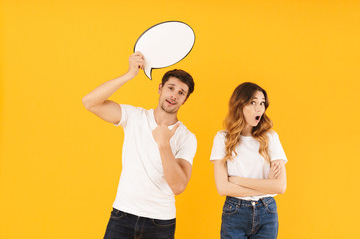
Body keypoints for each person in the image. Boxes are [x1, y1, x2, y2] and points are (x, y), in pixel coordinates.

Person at [82, 52, 197, 239]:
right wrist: (129, 74)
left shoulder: (186, 137)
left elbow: (178, 186)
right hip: (122, 216)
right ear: (160, 88)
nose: (174, 95)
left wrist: (164, 144)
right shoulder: (134, 117)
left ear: (185, 100)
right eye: (171, 88)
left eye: (181, 93)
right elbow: (89, 102)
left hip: (160, 222)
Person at [210, 82, 287, 239]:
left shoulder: (270, 138)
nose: (259, 108)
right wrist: (266, 187)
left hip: (267, 213)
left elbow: (280, 186)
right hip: (235, 211)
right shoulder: (222, 138)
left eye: (262, 103)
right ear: (239, 105)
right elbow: (223, 188)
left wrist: (237, 180)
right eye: (253, 102)